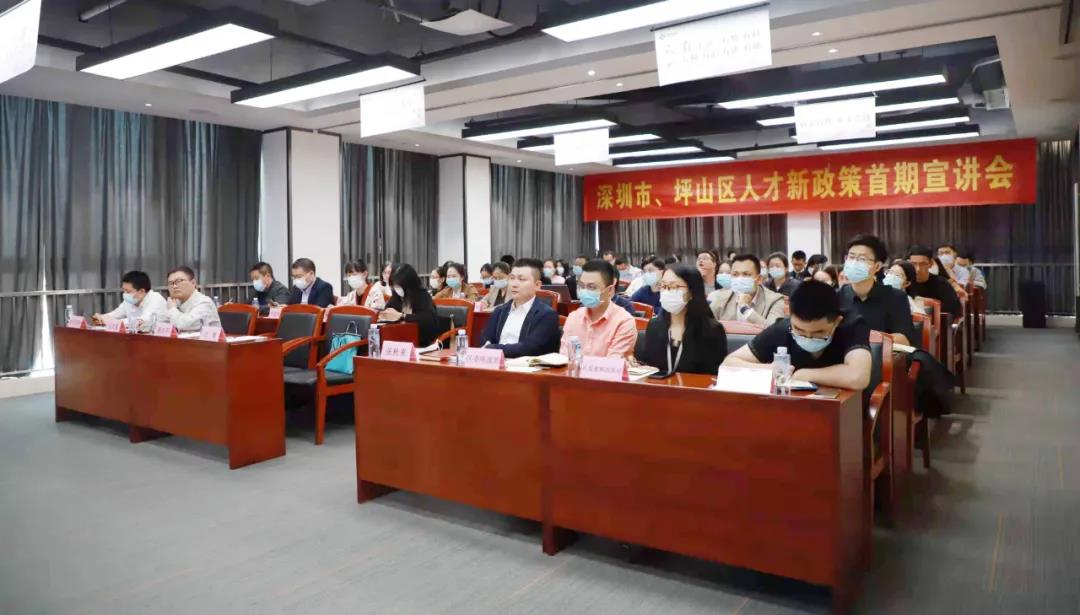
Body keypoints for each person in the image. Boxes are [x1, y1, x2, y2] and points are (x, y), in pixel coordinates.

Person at [723, 280, 872, 391]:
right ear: (790, 317)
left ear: (837, 321)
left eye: (819, 332)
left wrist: (804, 375)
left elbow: (858, 377)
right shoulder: (782, 328)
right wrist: (769, 370)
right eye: (799, 330)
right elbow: (729, 363)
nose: (808, 337)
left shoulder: (852, 325)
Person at [635, 264, 728, 375]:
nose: (666, 291)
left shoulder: (712, 330)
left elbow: (714, 374)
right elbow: (650, 365)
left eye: (673, 287)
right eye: (663, 286)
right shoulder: (655, 326)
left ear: (691, 292)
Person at [838, 234, 915, 347]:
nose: (854, 263)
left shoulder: (896, 297)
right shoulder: (835, 297)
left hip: (881, 356)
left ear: (877, 266)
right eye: (851, 257)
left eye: (862, 259)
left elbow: (904, 339)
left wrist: (865, 337)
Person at [479, 258, 561, 358]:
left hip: (526, 366)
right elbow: (485, 340)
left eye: (521, 279)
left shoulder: (547, 315)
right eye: (512, 278)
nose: (514, 284)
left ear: (537, 285)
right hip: (496, 363)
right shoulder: (499, 311)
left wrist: (493, 349)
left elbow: (529, 348)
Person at [560, 259, 637, 358]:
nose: (584, 291)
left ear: (609, 290)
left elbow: (613, 363)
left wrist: (578, 362)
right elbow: (565, 357)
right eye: (582, 286)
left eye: (592, 287)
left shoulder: (624, 321)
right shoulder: (574, 317)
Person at [709, 254, 786, 326]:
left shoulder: (775, 300)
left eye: (746, 274)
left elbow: (774, 330)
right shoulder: (721, 299)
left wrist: (745, 309)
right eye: (735, 274)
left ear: (759, 279)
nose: (740, 279)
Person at [379, 264, 446, 346]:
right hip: (401, 338)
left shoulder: (422, 296)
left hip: (422, 341)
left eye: (398, 285)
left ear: (409, 284)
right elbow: (389, 310)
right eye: (394, 285)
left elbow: (426, 320)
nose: (396, 288)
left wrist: (402, 316)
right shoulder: (397, 295)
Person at [92, 270, 167, 331]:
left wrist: (111, 322)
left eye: (128, 291)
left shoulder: (156, 299)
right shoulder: (130, 300)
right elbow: (115, 314)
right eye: (123, 290)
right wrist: (101, 318)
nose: (124, 294)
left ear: (141, 291)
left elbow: (141, 322)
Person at [160, 266, 220, 332]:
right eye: (170, 283)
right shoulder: (174, 303)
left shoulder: (204, 302)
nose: (174, 286)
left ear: (193, 283)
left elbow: (186, 325)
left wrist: (172, 309)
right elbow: (160, 325)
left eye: (179, 281)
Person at [907, 246, 962, 316]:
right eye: (913, 264)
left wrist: (928, 303)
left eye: (923, 264)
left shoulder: (941, 283)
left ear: (930, 264)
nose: (918, 269)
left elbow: (954, 307)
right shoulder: (906, 283)